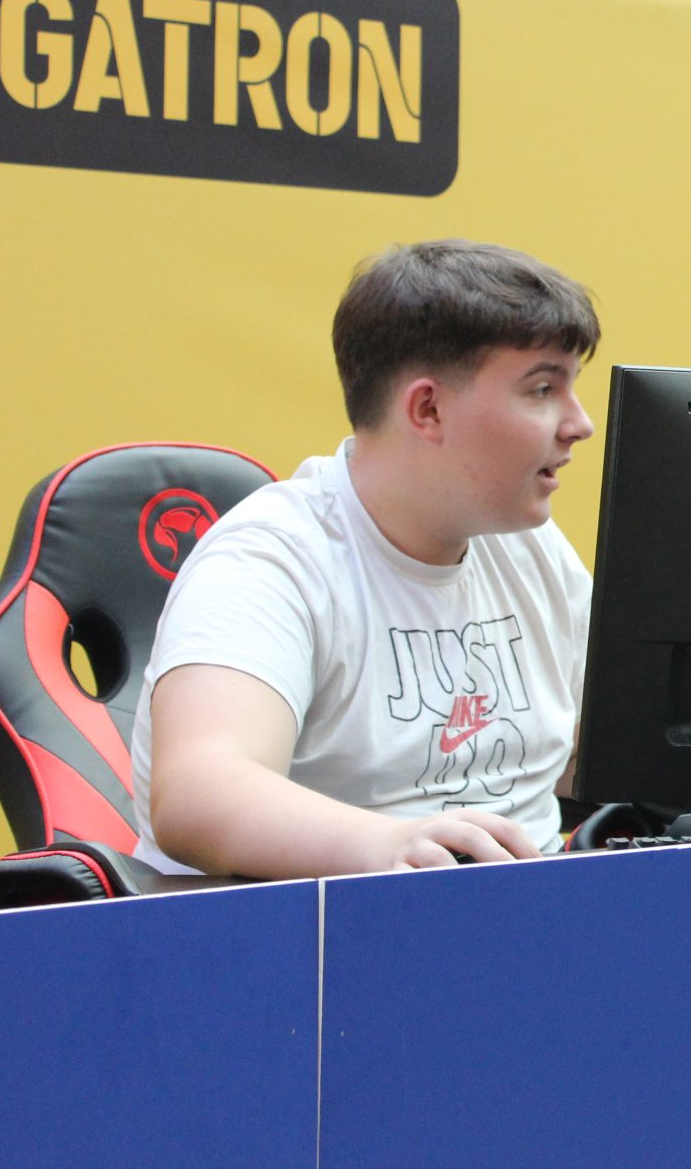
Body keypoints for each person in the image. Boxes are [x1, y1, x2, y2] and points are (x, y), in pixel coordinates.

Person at [129, 239, 600, 878]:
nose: (579, 424)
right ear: (428, 409)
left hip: (527, 914)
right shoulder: (268, 562)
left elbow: (586, 763)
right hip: (320, 928)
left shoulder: (529, 544)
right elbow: (198, 795)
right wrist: (392, 847)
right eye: (543, 389)